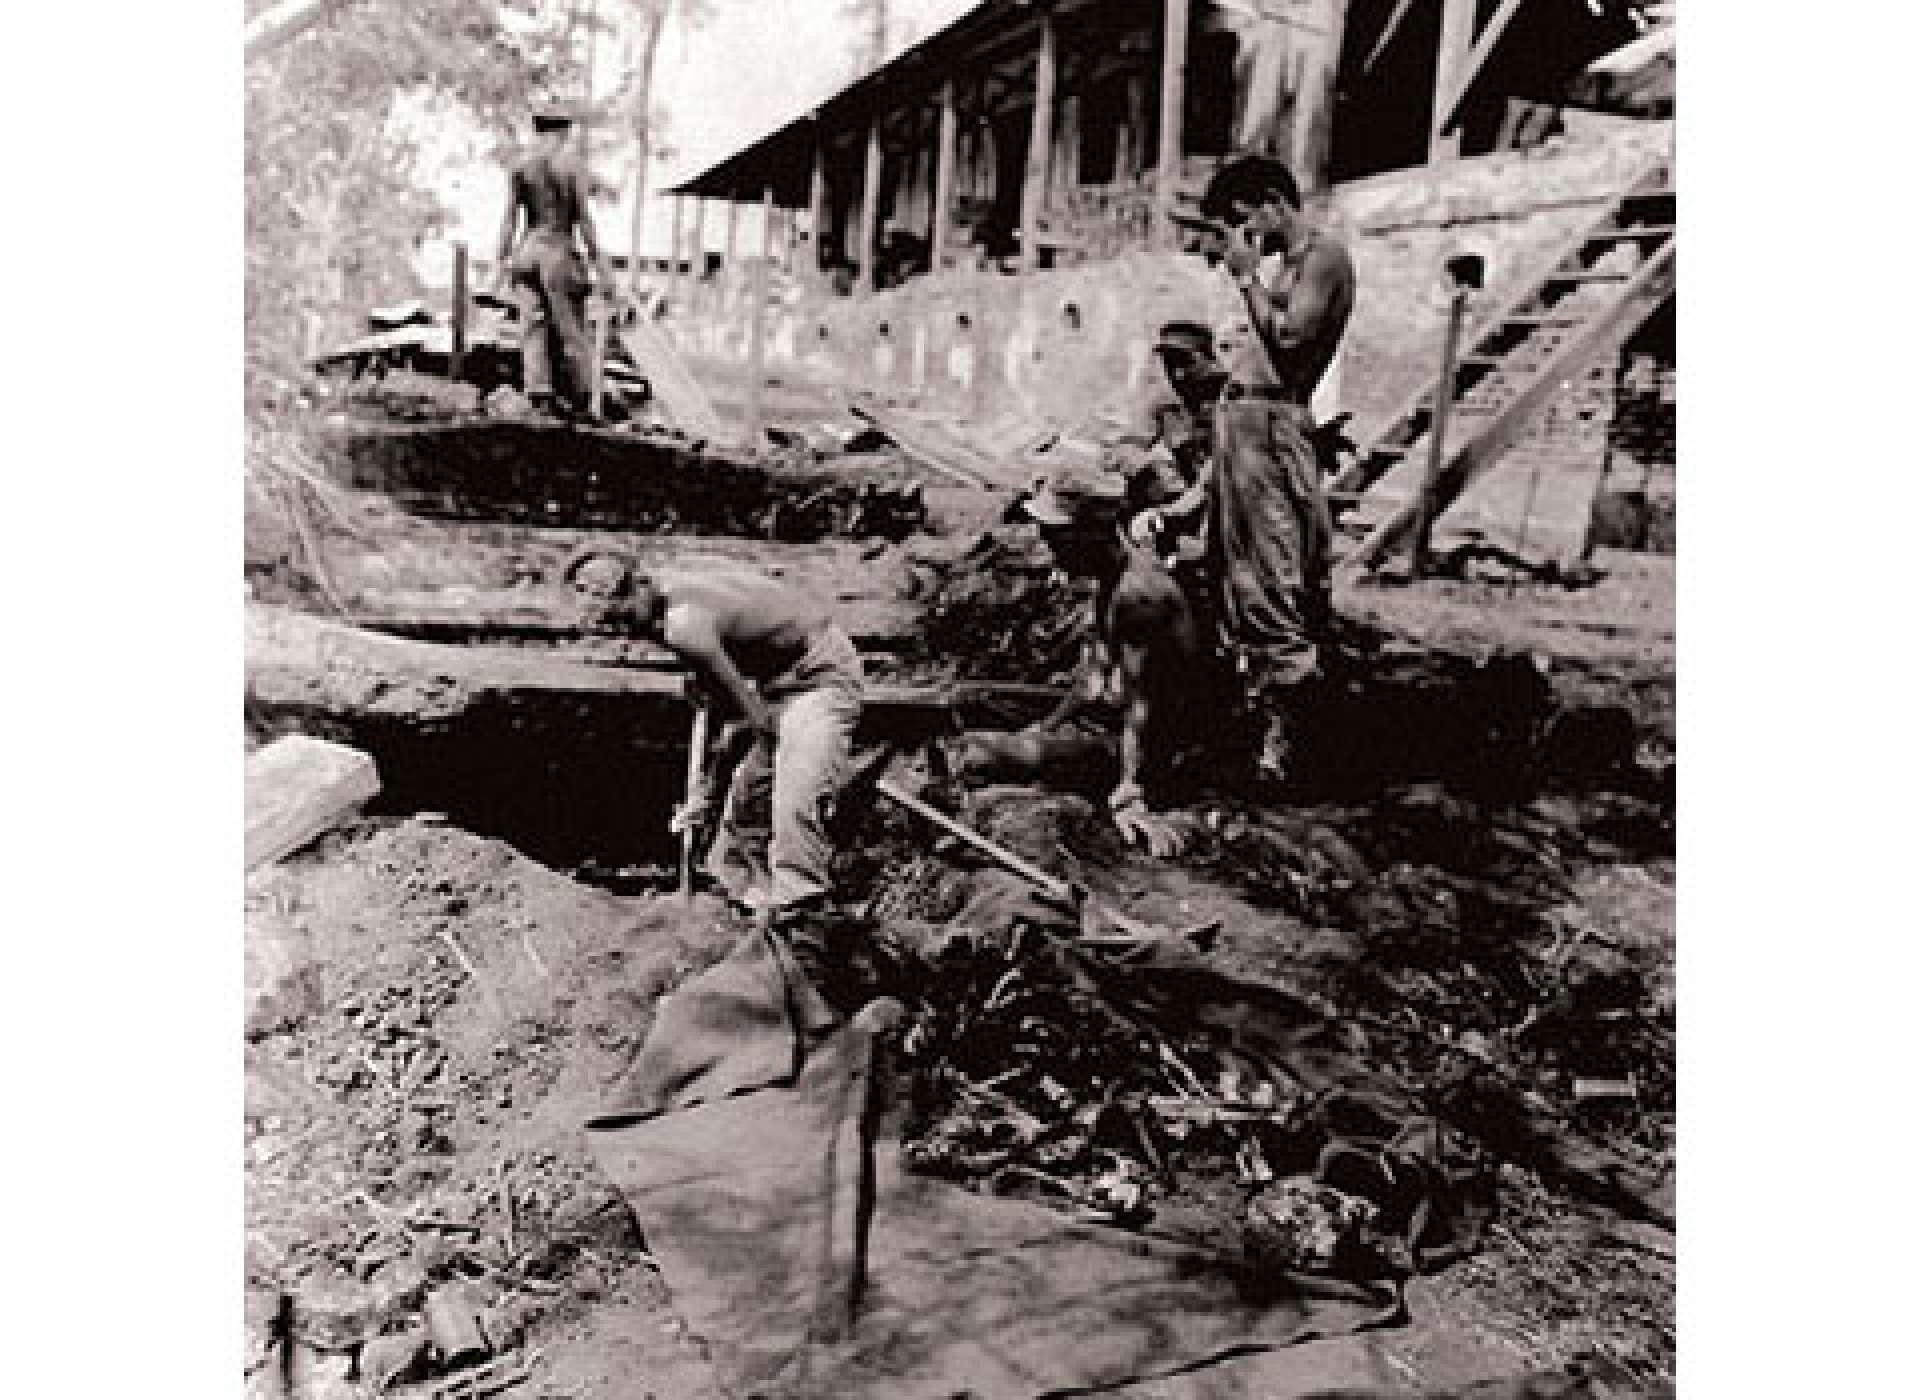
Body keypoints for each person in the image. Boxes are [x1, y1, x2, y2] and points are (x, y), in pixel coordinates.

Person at [563, 548, 865, 945]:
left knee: (794, 800)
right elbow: (732, 697)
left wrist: (705, 792)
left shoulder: (683, 624)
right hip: (774, 680)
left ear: (637, 587)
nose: (624, 630)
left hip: (819, 677)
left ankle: (801, 914)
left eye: (621, 617)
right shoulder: (665, 592)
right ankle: (743, 907)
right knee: (743, 814)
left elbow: (753, 723)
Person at [1192, 152, 1356, 783]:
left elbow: (1289, 345)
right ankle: (1257, 720)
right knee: (1237, 573)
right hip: (1246, 425)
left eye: (1244, 220)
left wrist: (1244, 279)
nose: (1245, 237)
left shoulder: (1323, 257)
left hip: (1269, 426)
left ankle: (1291, 741)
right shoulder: (1287, 262)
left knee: (1269, 573)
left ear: (1272, 200)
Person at [996, 458, 1208, 857]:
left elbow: (1144, 708)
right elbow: (1094, 673)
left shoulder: (1138, 596)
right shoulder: (1110, 578)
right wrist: (1049, 724)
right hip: (1110, 720)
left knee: (976, 754)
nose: (1047, 544)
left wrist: (1130, 788)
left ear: (1089, 533)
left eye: (1055, 535)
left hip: (1149, 746)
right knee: (971, 699)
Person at [494, 102, 614, 420]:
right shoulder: (572, 166)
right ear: (563, 130)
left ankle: (540, 397)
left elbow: (509, 219)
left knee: (532, 328)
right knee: (571, 329)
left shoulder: (521, 166)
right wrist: (603, 270)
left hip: (527, 252)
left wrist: (501, 259)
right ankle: (582, 401)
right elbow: (583, 221)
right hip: (558, 251)